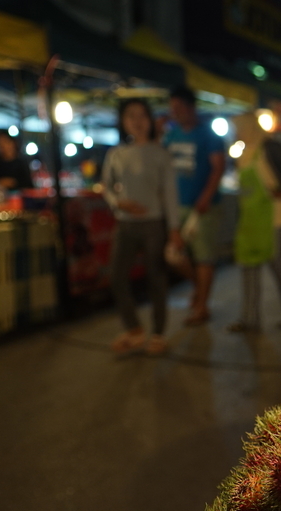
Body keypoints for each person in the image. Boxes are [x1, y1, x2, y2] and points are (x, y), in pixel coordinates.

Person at [102, 99, 184, 355]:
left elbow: (170, 194)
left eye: (142, 115)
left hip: (154, 224)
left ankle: (158, 333)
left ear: (150, 120)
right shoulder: (115, 154)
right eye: (130, 116)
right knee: (116, 277)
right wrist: (119, 203)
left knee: (156, 280)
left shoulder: (161, 154)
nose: (137, 121)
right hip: (125, 224)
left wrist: (174, 230)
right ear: (123, 122)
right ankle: (135, 330)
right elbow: (106, 187)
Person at [227, 114, 281, 332]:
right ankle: (249, 319)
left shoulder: (270, 147)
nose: (237, 132)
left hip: (274, 218)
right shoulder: (242, 152)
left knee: (278, 266)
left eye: (239, 127)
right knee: (248, 268)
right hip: (249, 221)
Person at [163, 86, 225, 325]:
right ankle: (200, 290)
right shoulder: (171, 135)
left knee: (203, 256)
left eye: (179, 108)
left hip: (204, 207)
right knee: (173, 254)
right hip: (178, 205)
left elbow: (218, 167)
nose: (175, 113)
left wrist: (207, 196)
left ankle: (201, 306)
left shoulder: (209, 136)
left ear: (191, 108)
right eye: (173, 109)